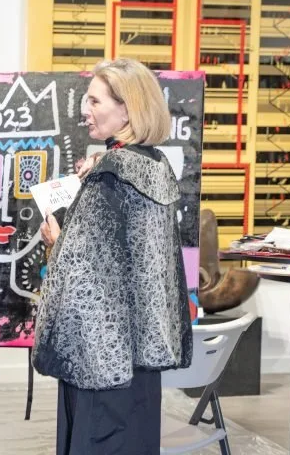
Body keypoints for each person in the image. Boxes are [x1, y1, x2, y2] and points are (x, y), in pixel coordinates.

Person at [32, 58, 194, 455]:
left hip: (99, 358)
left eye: (95, 101)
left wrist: (56, 241)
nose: (85, 110)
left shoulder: (110, 175)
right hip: (141, 356)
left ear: (127, 108)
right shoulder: (155, 166)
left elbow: (81, 273)